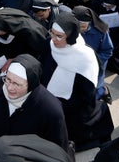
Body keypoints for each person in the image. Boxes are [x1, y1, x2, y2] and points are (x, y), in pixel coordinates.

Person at [40, 13, 113, 151]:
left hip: (73, 104)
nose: (54, 39)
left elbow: (86, 93)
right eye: (52, 33)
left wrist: (60, 104)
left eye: (59, 36)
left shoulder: (86, 56)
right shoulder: (48, 44)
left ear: (71, 36)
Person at [0, 54, 70, 154]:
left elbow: (58, 150)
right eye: (8, 79)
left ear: (31, 84)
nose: (9, 88)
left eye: (17, 84)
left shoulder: (50, 110)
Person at [73, 5, 113, 102]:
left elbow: (107, 50)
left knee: (93, 91)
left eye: (83, 27)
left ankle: (103, 90)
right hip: (77, 64)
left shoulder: (101, 31)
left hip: (96, 64)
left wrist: (93, 61)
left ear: (89, 23)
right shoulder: (72, 28)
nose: (80, 30)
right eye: (77, 26)